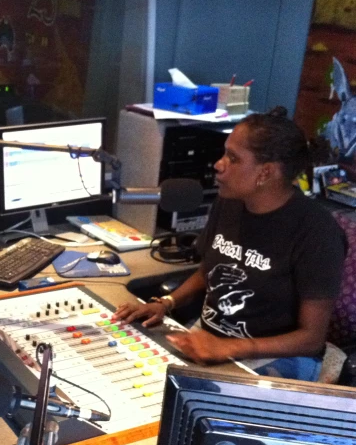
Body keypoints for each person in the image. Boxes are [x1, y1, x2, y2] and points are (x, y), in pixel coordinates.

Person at [113, 108, 347, 381]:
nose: (219, 164)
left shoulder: (316, 232)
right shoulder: (229, 202)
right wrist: (166, 302)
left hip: (274, 356)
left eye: (232, 158)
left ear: (265, 172)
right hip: (212, 340)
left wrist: (231, 347)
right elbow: (209, 270)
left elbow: (311, 339)